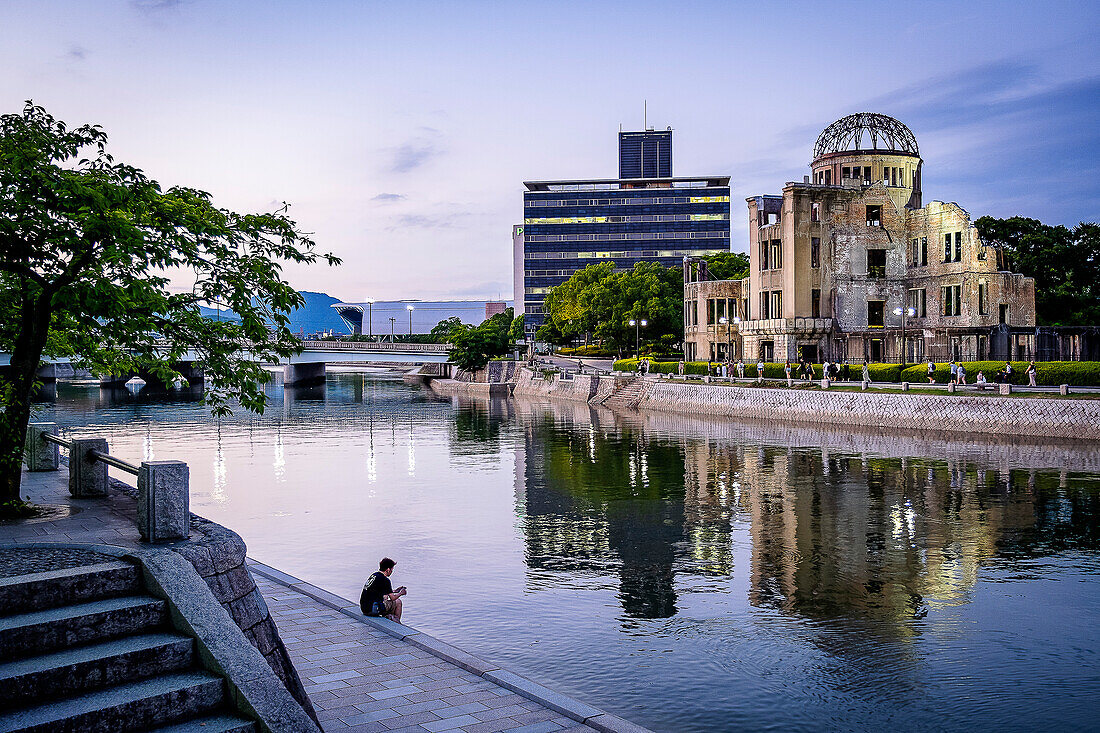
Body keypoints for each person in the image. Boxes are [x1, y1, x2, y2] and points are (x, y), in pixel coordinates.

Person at [361, 557, 407, 623]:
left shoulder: (374, 575)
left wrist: (394, 591)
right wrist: (401, 593)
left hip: (364, 608)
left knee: (385, 598)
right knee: (398, 602)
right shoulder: (385, 580)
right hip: (373, 610)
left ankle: (389, 617)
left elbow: (376, 590)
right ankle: (397, 622)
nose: (391, 572)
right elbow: (393, 598)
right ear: (388, 569)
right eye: (392, 569)